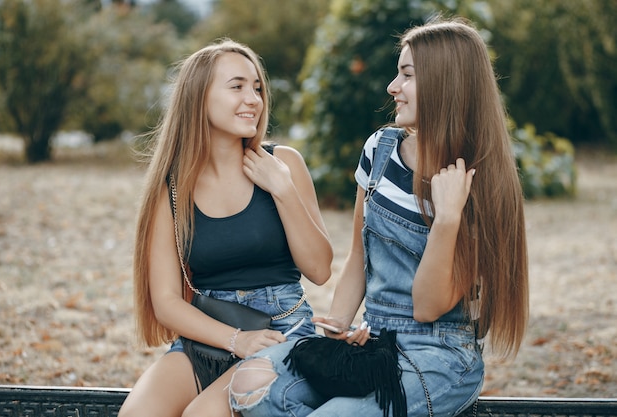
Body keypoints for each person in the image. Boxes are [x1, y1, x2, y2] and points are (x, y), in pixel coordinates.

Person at [228, 17, 529, 417]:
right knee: (250, 386)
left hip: (438, 356)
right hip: (375, 342)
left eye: (406, 75)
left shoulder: (477, 181)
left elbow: (426, 307)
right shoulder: (381, 150)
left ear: (445, 84)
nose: (393, 87)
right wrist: (338, 327)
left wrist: (447, 218)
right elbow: (359, 254)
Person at [118, 39, 333, 417]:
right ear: (199, 98)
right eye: (237, 87)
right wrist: (236, 339)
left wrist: (282, 189)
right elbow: (166, 301)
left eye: (257, 88)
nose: (253, 99)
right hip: (211, 331)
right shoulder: (171, 188)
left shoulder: (283, 163)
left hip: (281, 331)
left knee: (202, 415)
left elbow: (319, 269)